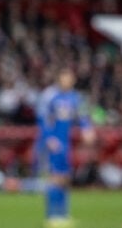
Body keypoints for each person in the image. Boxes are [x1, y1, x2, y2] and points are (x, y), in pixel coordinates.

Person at [35, 66, 96, 228]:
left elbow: (83, 115)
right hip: (52, 142)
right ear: (59, 78)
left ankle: (63, 214)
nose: (68, 81)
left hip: (66, 142)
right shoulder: (49, 96)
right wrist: (49, 138)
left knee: (65, 177)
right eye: (65, 77)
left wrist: (87, 129)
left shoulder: (75, 97)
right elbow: (42, 118)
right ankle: (52, 215)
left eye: (70, 78)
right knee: (55, 177)